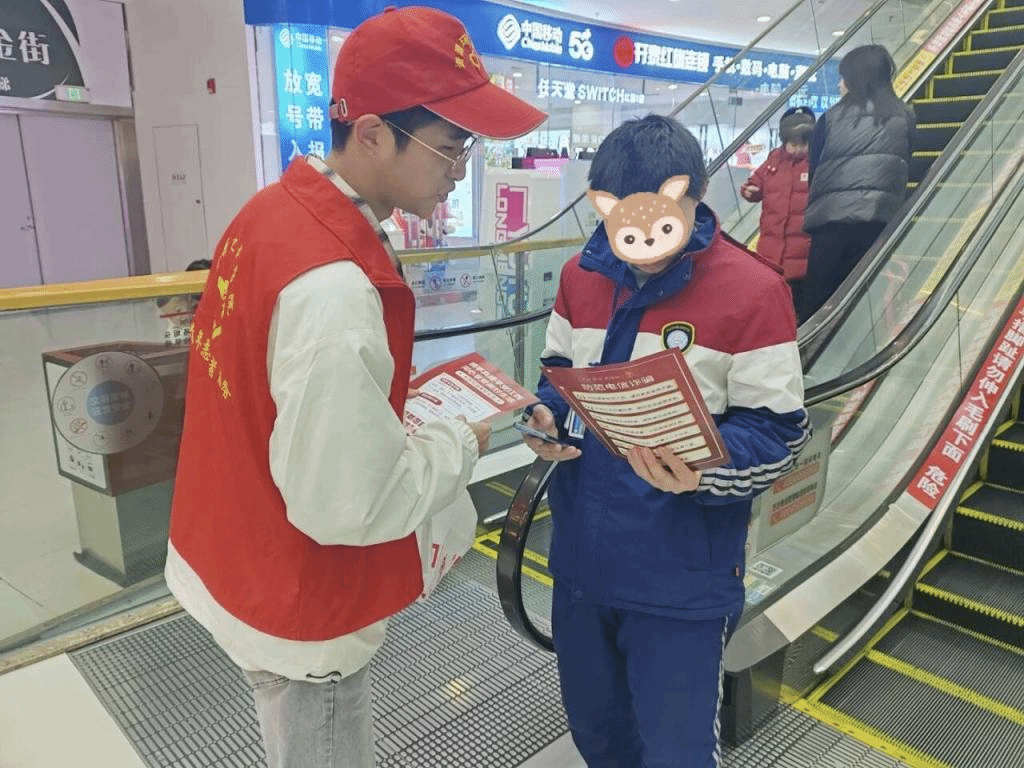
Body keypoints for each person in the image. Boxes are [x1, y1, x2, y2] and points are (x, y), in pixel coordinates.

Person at [164, 7, 546, 768]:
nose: (460, 171)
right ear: (372, 133)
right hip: (302, 599)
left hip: (237, 548)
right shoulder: (335, 286)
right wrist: (459, 440)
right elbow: (349, 504)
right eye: (449, 148)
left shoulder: (272, 213)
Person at [520, 114, 810, 768]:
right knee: (599, 736)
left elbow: (778, 431)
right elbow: (557, 378)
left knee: (676, 753)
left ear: (695, 198)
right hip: (581, 568)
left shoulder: (754, 292)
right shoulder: (579, 276)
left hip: (682, 583)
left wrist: (704, 470)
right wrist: (544, 419)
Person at [800, 44, 915, 320]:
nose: (840, 84)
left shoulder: (830, 118)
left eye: (843, 77)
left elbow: (814, 170)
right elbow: (902, 165)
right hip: (878, 223)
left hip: (829, 223)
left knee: (819, 303)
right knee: (864, 303)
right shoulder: (905, 116)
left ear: (856, 79)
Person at [741, 106, 816, 319]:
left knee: (798, 309)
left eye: (803, 145)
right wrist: (750, 191)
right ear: (784, 142)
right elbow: (755, 183)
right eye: (793, 145)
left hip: (802, 254)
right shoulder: (773, 161)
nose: (798, 150)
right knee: (771, 308)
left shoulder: (816, 164)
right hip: (771, 251)